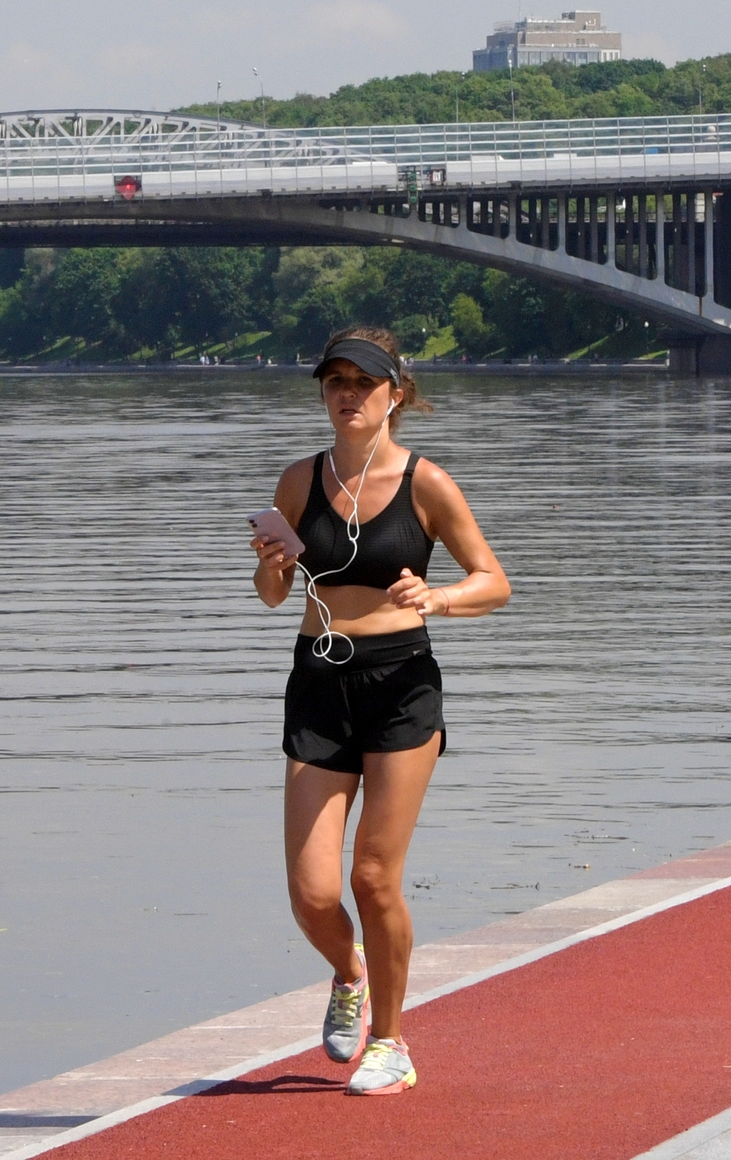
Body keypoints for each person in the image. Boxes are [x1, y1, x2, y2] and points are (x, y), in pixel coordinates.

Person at [249, 327, 510, 1096]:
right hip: (319, 684)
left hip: (401, 685)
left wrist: (440, 597)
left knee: (372, 878)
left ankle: (391, 1041)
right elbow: (273, 597)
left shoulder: (427, 483)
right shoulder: (299, 479)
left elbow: (493, 580)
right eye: (334, 381)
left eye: (363, 382)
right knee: (312, 893)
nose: (347, 394)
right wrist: (271, 570)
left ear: (395, 393)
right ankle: (348, 971)